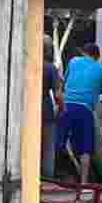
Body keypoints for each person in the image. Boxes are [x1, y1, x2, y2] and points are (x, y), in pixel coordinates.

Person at [59, 36, 102, 191]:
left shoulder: (73, 62)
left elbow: (66, 79)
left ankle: (57, 177)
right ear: (97, 56)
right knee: (85, 148)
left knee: (60, 143)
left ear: (84, 53)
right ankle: (84, 183)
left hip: (66, 105)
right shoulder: (100, 68)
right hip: (84, 108)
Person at [40, 51, 62, 180]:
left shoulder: (27, 64)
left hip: (27, 110)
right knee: (48, 146)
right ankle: (47, 178)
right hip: (46, 110)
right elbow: (58, 94)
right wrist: (62, 108)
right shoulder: (50, 68)